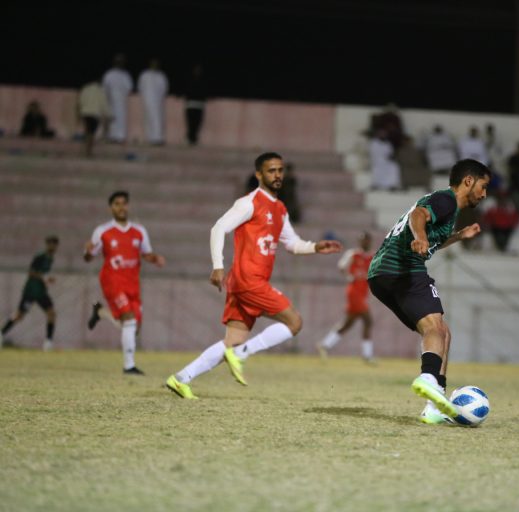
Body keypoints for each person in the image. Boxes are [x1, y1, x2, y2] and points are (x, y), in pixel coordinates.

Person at [165, 152, 342, 399]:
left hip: (246, 282)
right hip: (249, 279)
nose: (277, 175)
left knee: (233, 341)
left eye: (280, 170)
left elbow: (292, 243)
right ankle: (241, 355)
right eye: (271, 170)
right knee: (294, 322)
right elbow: (218, 228)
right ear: (259, 174)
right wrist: (217, 265)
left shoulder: (280, 209)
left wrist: (315, 247)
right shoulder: (249, 203)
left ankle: (181, 378)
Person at [367, 159, 490, 424]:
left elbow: (433, 237)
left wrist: (458, 236)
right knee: (435, 327)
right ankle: (428, 379)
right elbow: (418, 216)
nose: (484, 194)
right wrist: (420, 237)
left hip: (380, 275)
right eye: (483, 186)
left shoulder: (447, 209)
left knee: (442, 332)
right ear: (468, 181)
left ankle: (434, 405)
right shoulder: (446, 200)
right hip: (403, 269)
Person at [84, 191, 166, 374]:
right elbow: (89, 257)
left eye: (124, 203)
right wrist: (88, 251)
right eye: (117, 204)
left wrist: (156, 259)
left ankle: (101, 312)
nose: (121, 207)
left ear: (128, 206)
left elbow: (146, 254)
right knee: (129, 319)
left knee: (133, 328)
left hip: (132, 283)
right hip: (112, 280)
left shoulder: (139, 231)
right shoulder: (102, 231)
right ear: (111, 208)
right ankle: (129, 366)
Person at [317, 232, 375, 362]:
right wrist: (348, 276)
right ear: (359, 242)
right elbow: (341, 266)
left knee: (347, 324)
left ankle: (324, 345)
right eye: (362, 240)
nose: (364, 242)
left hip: (363, 293)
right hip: (353, 292)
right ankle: (367, 355)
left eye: (366, 240)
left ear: (370, 241)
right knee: (368, 320)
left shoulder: (373, 256)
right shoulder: (353, 254)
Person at [1, 236, 59, 351]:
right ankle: (1, 333)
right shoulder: (40, 256)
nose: (52, 246)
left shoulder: (51, 258)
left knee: (51, 313)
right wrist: (45, 278)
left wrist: (46, 279)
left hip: (41, 292)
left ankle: (48, 342)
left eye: (55, 244)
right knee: (19, 315)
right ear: (47, 244)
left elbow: (42, 274)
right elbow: (31, 272)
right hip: (31, 291)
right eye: (50, 243)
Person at [102, 54, 133, 143]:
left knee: (121, 118)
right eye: (118, 61)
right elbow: (105, 87)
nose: (120, 63)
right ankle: (112, 136)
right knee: (111, 119)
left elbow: (129, 87)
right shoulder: (109, 74)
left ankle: (120, 137)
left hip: (122, 100)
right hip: (111, 100)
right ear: (115, 62)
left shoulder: (126, 74)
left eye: (122, 62)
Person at [138, 58, 169, 145]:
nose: (154, 65)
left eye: (156, 64)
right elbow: (141, 87)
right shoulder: (145, 75)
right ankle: (151, 138)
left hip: (158, 101)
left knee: (159, 119)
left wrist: (160, 97)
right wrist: (145, 97)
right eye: (153, 63)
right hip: (148, 100)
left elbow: (165, 88)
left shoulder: (161, 75)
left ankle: (158, 138)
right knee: (149, 119)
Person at [78, 78, 112, 157]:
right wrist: (108, 114)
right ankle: (88, 152)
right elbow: (103, 103)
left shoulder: (86, 89)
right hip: (94, 114)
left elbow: (80, 101)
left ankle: (85, 151)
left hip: (85, 113)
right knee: (91, 133)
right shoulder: (100, 90)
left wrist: (80, 113)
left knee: (87, 131)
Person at [184, 64, 207, 145]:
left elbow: (205, 92)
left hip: (199, 105)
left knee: (197, 123)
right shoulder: (189, 80)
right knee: (190, 122)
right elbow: (186, 91)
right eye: (196, 70)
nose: (197, 71)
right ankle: (190, 138)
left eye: (199, 70)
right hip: (190, 104)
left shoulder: (203, 81)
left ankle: (194, 138)